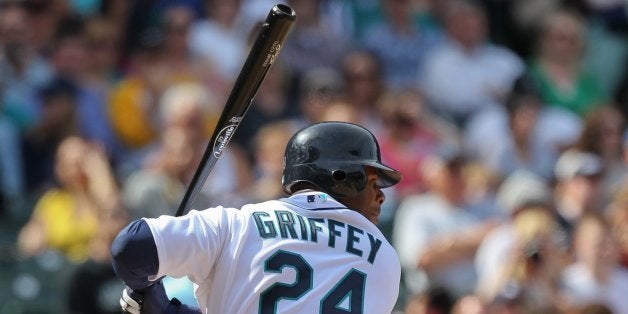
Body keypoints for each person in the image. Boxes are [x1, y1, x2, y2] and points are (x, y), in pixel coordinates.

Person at [111, 121, 403, 313]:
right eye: (374, 182)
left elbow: (131, 246)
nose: (381, 196)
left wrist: (148, 295)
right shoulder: (385, 259)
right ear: (342, 177)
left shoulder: (238, 222)